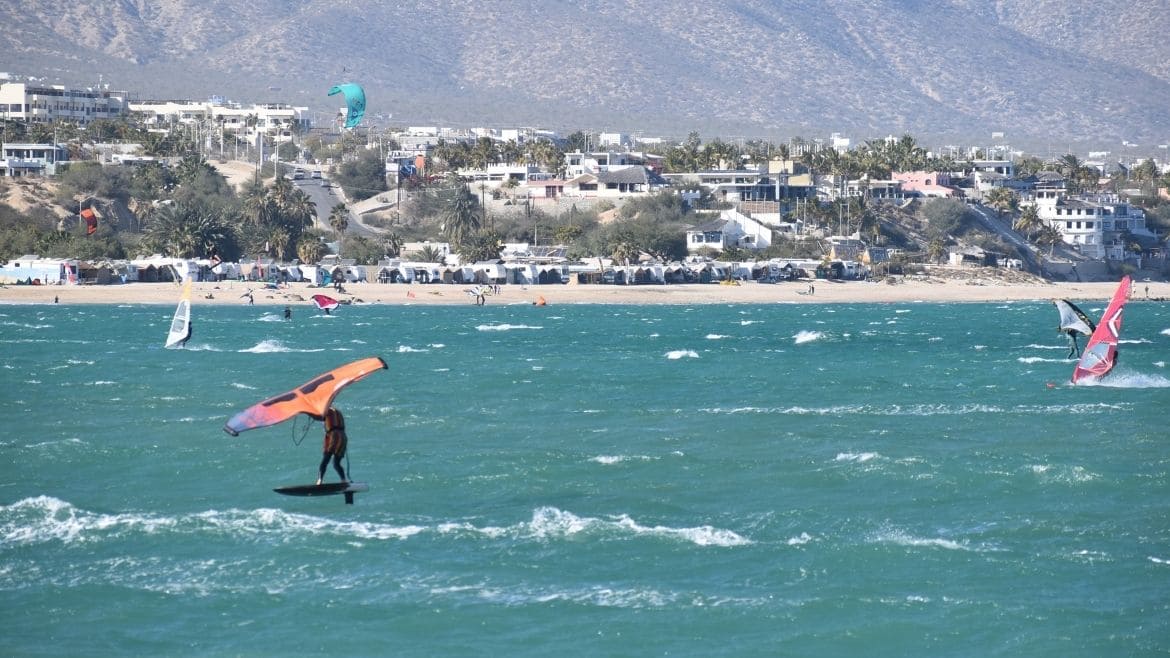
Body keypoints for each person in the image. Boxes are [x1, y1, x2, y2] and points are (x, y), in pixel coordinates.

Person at [316, 407, 348, 485]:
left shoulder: (326, 410)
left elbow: (318, 417)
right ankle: (344, 480)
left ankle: (320, 480)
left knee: (326, 459)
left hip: (333, 436)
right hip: (343, 436)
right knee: (336, 463)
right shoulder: (338, 411)